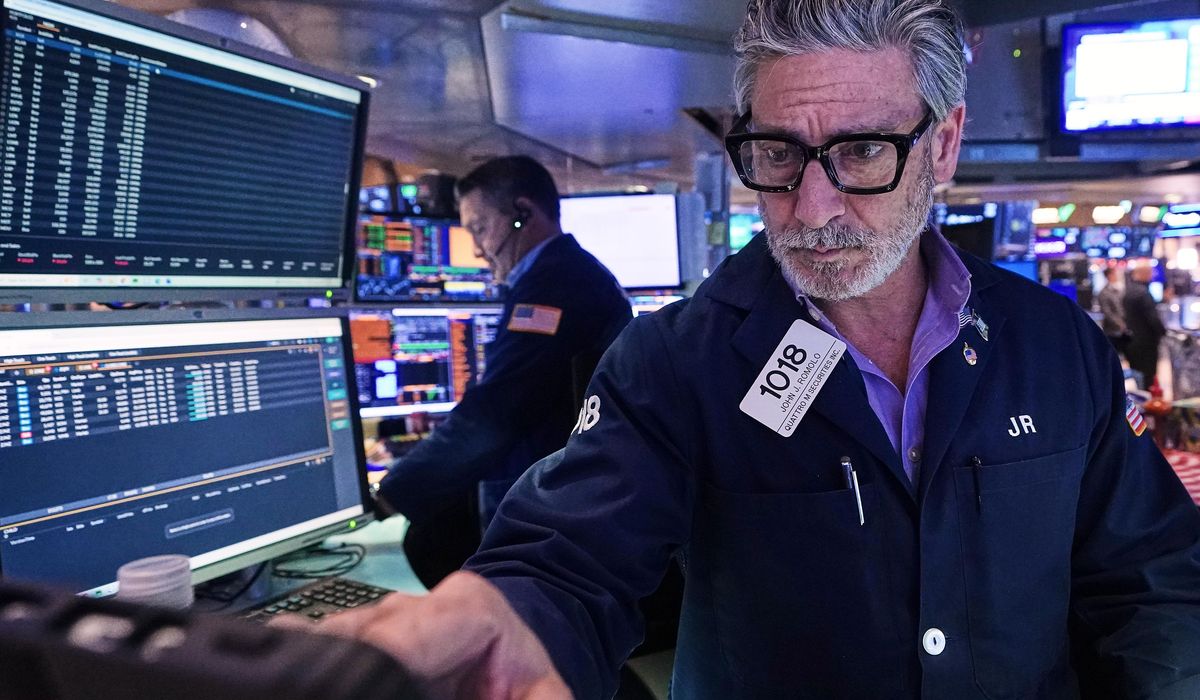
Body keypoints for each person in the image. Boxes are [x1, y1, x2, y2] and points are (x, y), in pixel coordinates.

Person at [298, 1, 1200, 697]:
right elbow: (572, 558)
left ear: (945, 144)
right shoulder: (676, 360)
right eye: (777, 153)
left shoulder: (1055, 345)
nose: (811, 207)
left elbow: (1150, 581)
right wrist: (512, 614)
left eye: (862, 152)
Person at [370, 155, 632, 588]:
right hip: (570, 498)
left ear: (522, 213)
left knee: (433, 548)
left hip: (551, 510)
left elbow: (497, 412)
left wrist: (389, 496)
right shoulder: (566, 273)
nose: (477, 248)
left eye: (479, 228)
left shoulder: (553, 286)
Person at [1123, 264, 1167, 390]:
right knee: (1148, 377)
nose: (1152, 276)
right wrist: (1163, 332)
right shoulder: (1143, 293)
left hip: (1131, 341)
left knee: (1137, 375)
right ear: (1144, 274)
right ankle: (1148, 399)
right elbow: (1152, 318)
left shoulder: (1128, 291)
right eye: (1150, 273)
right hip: (1147, 343)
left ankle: (1141, 397)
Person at [1098, 265, 1130, 356]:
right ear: (1109, 275)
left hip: (1125, 330)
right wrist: (1120, 324)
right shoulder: (1103, 293)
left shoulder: (1121, 290)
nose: (1117, 276)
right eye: (1115, 274)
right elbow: (1107, 312)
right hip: (1112, 331)